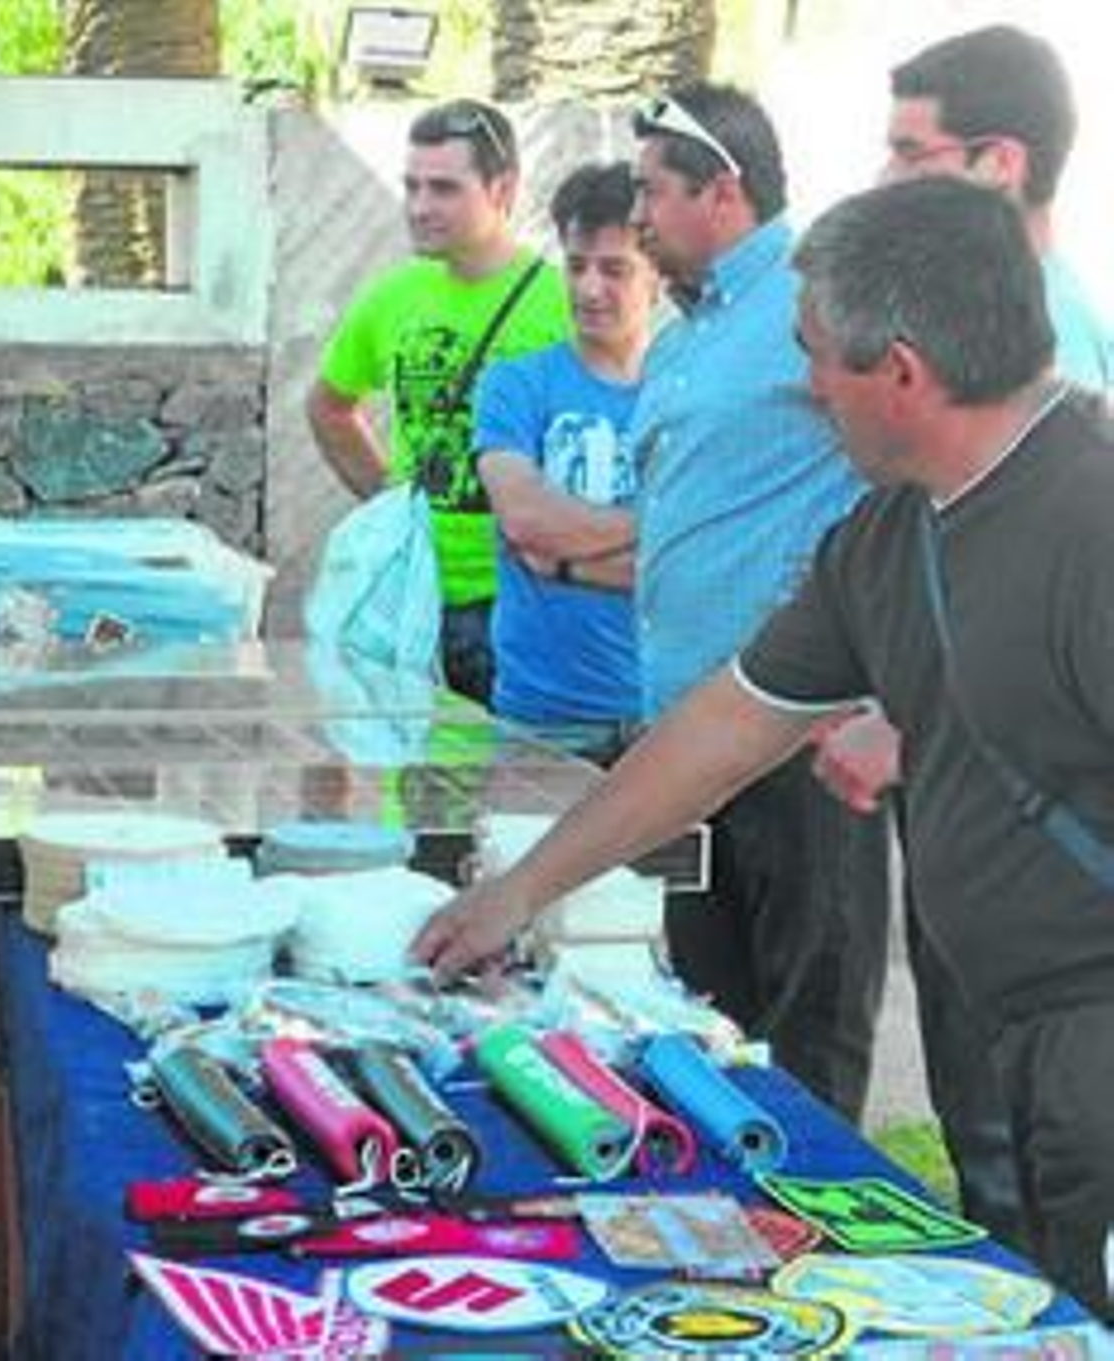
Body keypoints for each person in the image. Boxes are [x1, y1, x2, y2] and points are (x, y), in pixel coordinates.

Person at [415, 175, 1114, 1322]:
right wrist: (521, 889)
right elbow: (725, 726)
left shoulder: (1091, 514)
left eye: (816, 355)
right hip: (1025, 1048)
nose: (802, 383)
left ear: (899, 371)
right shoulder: (888, 533)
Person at [811, 22, 1114, 1247]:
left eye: (908, 152)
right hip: (995, 884)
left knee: (1033, 1182)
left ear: (997, 163)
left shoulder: (1050, 348)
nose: (883, 179)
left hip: (1061, 951)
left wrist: (912, 709)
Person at [622, 83, 888, 1120]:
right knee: (705, 1021)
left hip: (797, 741)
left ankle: (827, 1248)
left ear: (721, 189)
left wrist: (881, 693)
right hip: (684, 744)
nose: (636, 215)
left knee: (808, 1027)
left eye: (652, 191)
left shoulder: (814, 301)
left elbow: (910, 480)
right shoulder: (683, 337)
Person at [306, 99, 570, 705]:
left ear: (502, 189)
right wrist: (391, 506)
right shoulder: (392, 297)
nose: (421, 207)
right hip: (410, 595)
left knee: (511, 787)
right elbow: (328, 406)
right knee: (415, 785)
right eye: (412, 186)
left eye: (445, 188)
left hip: (518, 603)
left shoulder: (559, 306)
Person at [472, 161, 658, 761]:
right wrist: (659, 526)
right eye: (576, 266)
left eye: (614, 269)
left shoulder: (690, 391)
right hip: (543, 718)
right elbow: (525, 521)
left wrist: (565, 561)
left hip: (666, 715)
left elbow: (699, 564)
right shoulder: (516, 384)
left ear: (658, 275)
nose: (588, 288)